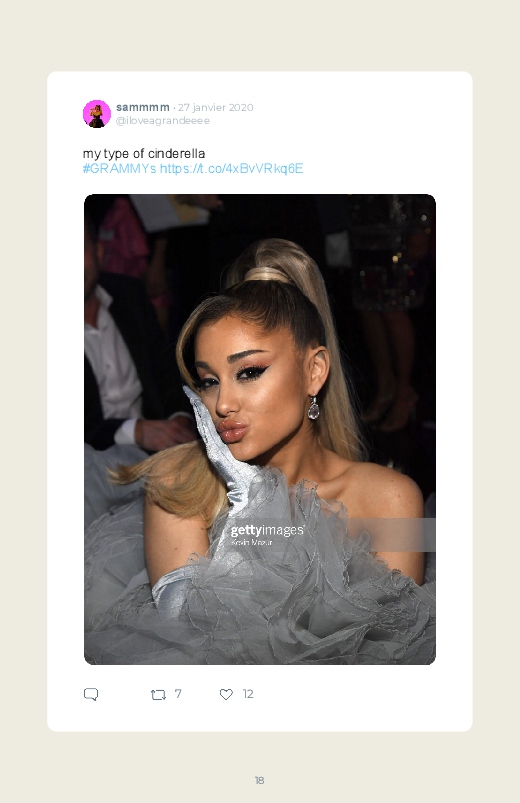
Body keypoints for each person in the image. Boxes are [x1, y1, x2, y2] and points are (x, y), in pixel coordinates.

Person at [85, 239, 435, 664]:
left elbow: (395, 653)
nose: (222, 404)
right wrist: (251, 513)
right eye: (208, 381)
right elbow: (188, 635)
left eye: (249, 372)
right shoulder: (176, 485)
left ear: (314, 371)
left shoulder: (393, 498)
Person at [84, 214, 196, 451]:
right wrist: (135, 431)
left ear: (98, 252)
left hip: (154, 449)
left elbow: (167, 373)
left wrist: (178, 419)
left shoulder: (128, 295)